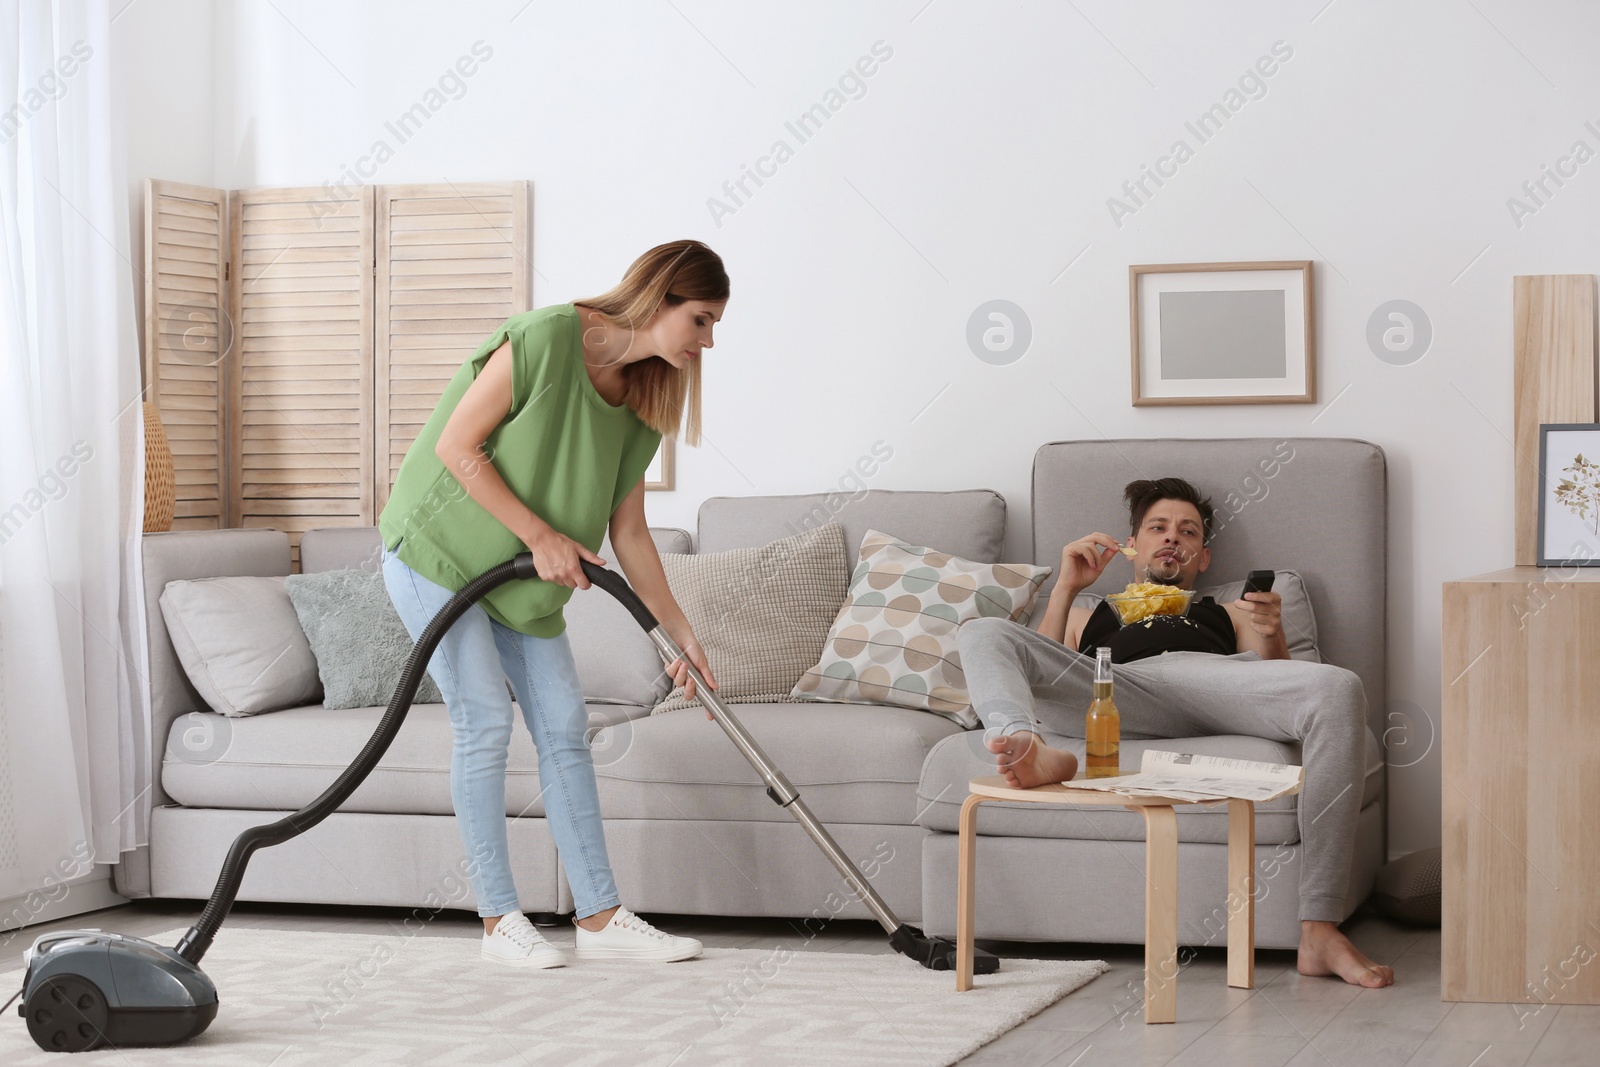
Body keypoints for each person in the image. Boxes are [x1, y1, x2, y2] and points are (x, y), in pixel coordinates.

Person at [378, 239, 728, 968]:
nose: (708, 341)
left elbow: (628, 531)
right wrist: (540, 535)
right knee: (483, 716)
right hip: (436, 554)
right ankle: (498, 921)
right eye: (700, 320)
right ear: (660, 297)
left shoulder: (641, 403)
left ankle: (599, 917)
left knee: (565, 726)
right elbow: (456, 445)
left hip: (522, 579)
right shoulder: (546, 338)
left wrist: (680, 632)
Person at [956, 476, 1395, 989]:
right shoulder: (1084, 610)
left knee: (1340, 686)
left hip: (1209, 685)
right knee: (981, 630)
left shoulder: (1231, 609)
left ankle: (1319, 930)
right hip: (1108, 687)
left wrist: (1274, 635)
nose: (1172, 538)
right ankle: (1027, 744)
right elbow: (1040, 670)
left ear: (1202, 558)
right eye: (1157, 528)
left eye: (1187, 533)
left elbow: (1280, 688)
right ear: (1132, 546)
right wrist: (1067, 586)